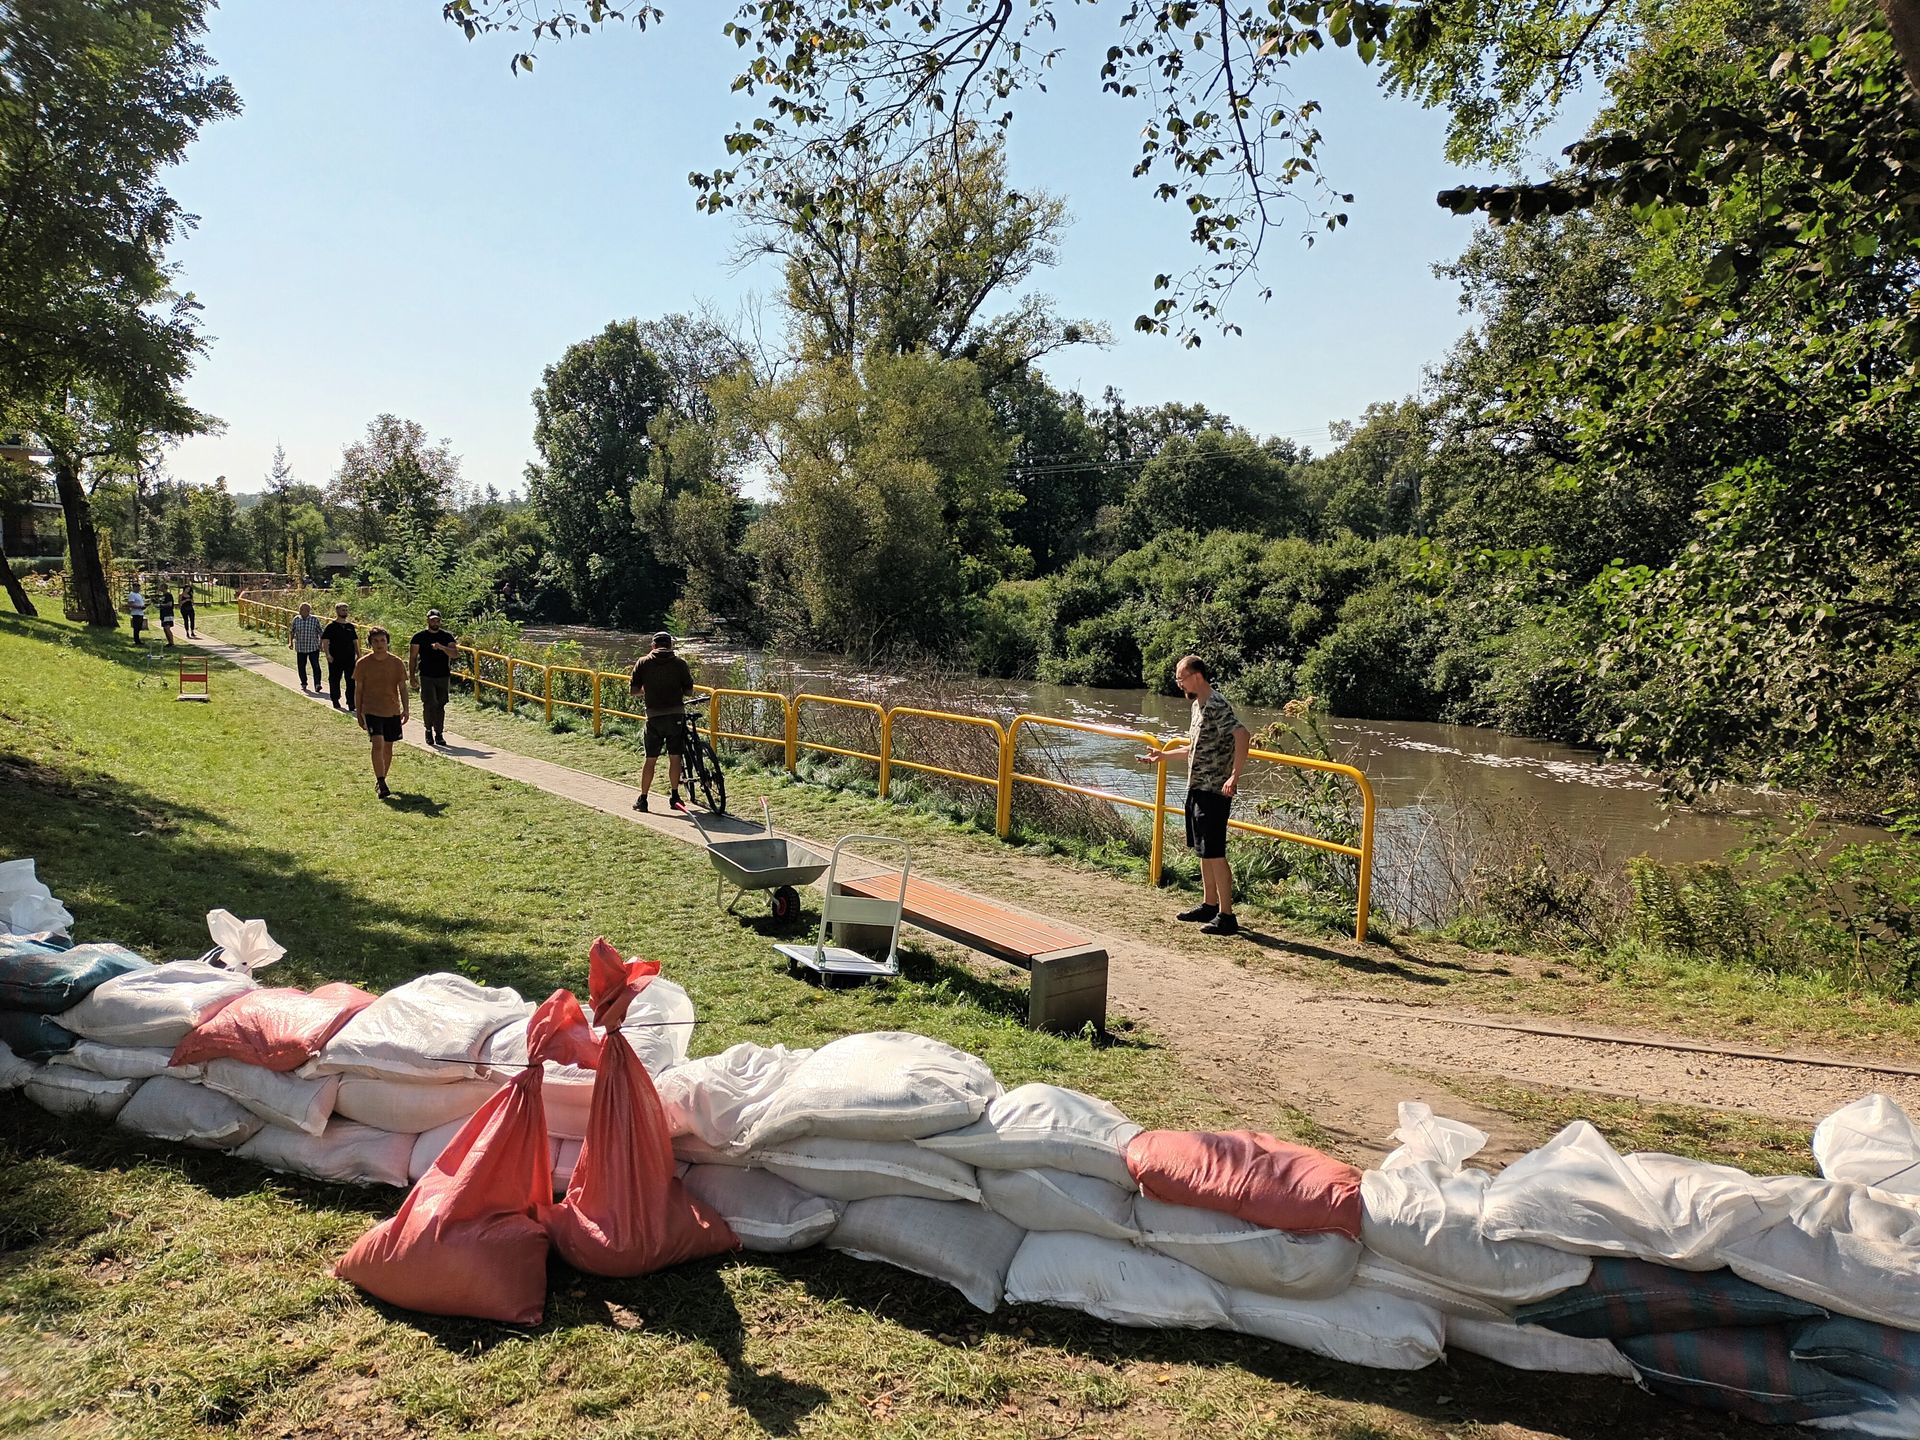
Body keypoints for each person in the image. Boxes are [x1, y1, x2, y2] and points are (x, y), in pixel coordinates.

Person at [1140, 653, 1251, 936]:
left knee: (1215, 852)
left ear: (1197, 676)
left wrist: (1234, 776)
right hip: (1197, 786)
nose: (1179, 683)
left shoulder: (1216, 704)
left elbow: (1242, 735)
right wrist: (1161, 756)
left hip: (1214, 788)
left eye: (1181, 677)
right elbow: (1192, 748)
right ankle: (1209, 904)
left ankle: (1227, 916)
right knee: (1204, 850)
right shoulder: (1197, 707)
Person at [628, 630, 694, 813]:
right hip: (676, 716)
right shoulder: (680, 663)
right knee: (675, 757)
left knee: (650, 759)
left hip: (654, 717)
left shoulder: (643, 662)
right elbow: (689, 691)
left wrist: (647, 690)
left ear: (653, 646)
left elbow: (633, 690)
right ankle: (675, 796)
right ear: (670, 645)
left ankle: (643, 799)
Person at [353, 626, 410, 799]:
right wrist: (359, 712)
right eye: (375, 641)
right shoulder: (363, 663)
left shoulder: (396, 662)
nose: (379, 644)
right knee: (377, 744)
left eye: (382, 641)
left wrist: (406, 709)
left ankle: (382, 778)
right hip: (371, 709)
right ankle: (382, 782)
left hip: (391, 709)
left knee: (388, 747)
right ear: (370, 643)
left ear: (387, 642)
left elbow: (402, 687)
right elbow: (359, 690)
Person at [408, 608, 458, 747]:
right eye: (432, 620)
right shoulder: (419, 637)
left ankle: (439, 733)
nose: (435, 622)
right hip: (426, 675)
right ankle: (428, 730)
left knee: (441, 705)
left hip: (443, 675)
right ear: (427, 620)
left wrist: (442, 648)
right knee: (429, 703)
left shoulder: (447, 636)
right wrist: (412, 676)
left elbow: (455, 654)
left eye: (437, 620)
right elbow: (412, 658)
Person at [320, 602, 360, 711]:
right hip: (335, 658)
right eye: (343, 610)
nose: (345, 612)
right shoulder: (331, 627)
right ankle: (335, 699)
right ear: (337, 611)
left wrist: (359, 655)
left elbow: (355, 642)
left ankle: (351, 702)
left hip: (349, 658)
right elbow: (325, 641)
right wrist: (327, 654)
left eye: (346, 610)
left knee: (351, 681)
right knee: (334, 679)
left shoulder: (350, 627)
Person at [288, 602, 324, 692]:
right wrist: (290, 642)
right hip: (300, 647)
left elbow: (320, 632)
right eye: (300, 609)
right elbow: (292, 631)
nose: (300, 611)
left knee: (316, 666)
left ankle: (317, 684)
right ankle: (304, 683)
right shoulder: (296, 619)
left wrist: (321, 644)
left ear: (308, 611)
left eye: (302, 610)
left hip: (313, 647)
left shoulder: (314, 620)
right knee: (301, 666)